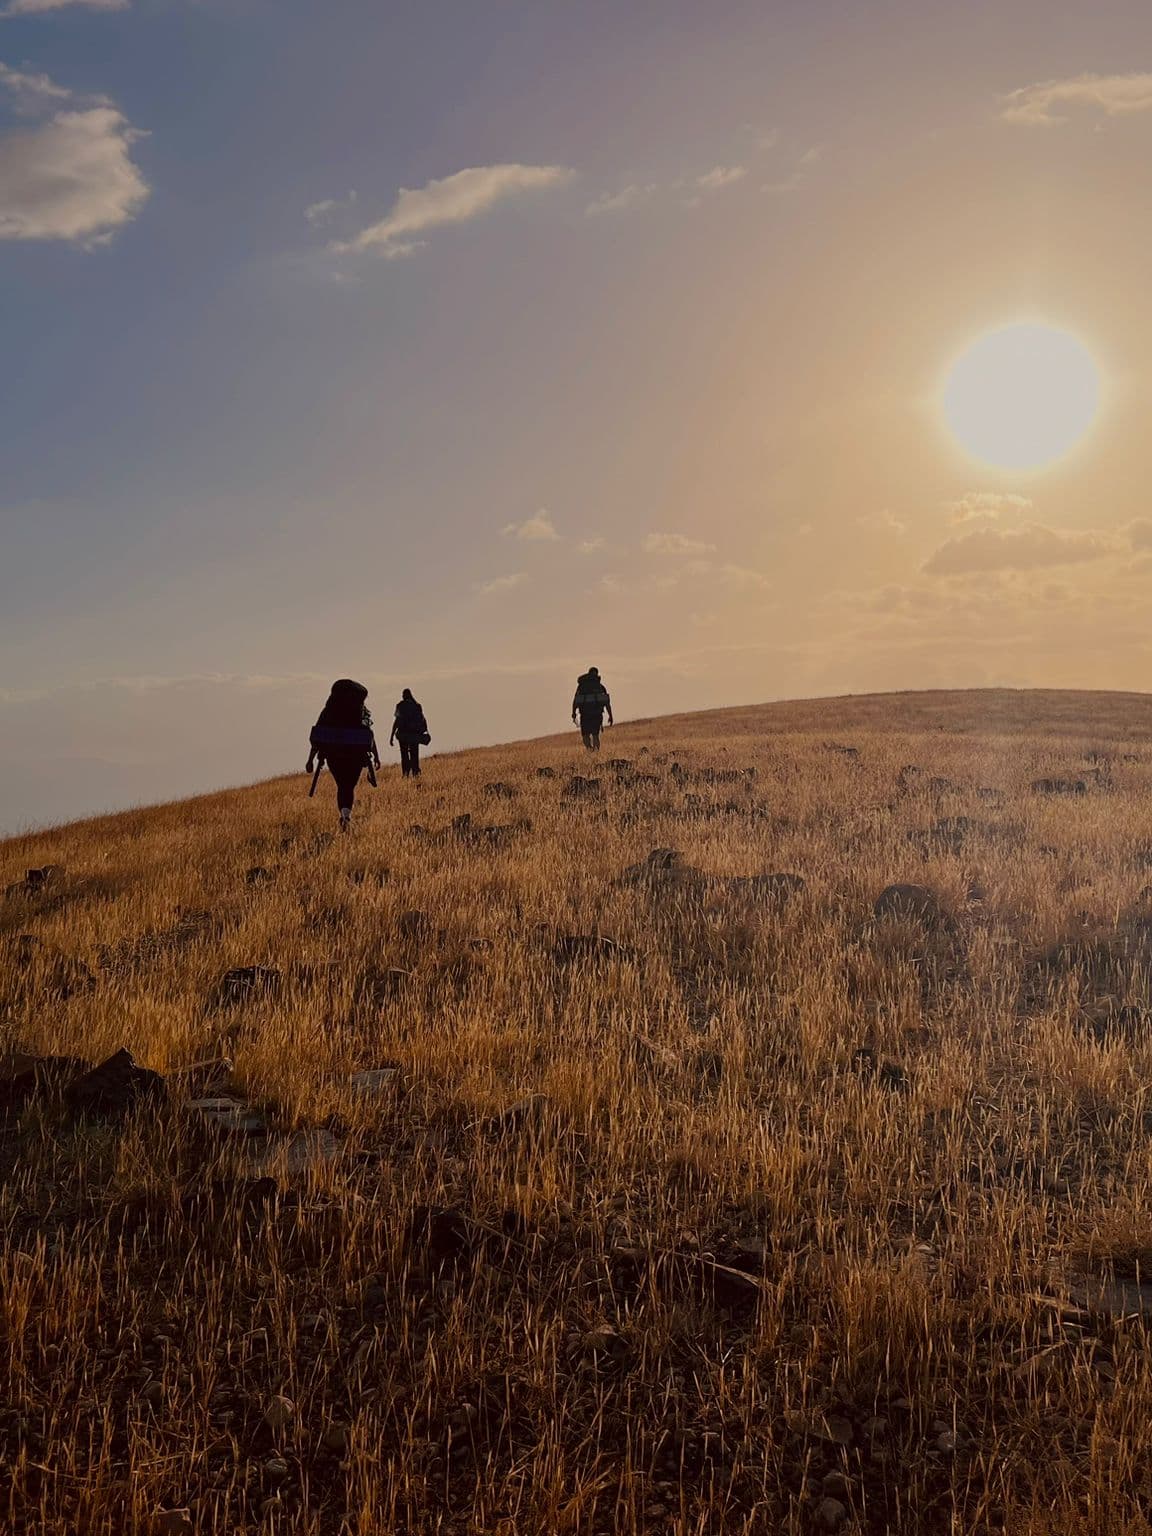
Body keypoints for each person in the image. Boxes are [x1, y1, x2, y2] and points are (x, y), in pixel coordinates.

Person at [307, 679, 381, 832]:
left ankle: (344, 814)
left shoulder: (328, 711)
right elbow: (369, 735)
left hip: (334, 756)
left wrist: (310, 760)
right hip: (356, 756)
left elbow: (318, 736)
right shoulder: (360, 710)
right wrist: (376, 756)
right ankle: (347, 815)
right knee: (349, 786)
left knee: (342, 785)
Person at [390, 688, 429, 778]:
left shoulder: (400, 706)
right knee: (414, 754)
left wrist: (391, 736)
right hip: (414, 735)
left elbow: (397, 721)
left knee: (404, 755)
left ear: (404, 696)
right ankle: (415, 773)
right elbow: (422, 720)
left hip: (403, 735)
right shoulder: (417, 706)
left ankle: (405, 774)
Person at [572, 666, 613, 751]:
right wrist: (610, 716)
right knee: (595, 735)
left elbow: (576, 700)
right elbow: (606, 702)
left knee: (585, 735)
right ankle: (596, 753)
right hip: (597, 714)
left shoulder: (581, 687)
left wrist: (573, 713)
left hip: (585, 714)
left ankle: (590, 751)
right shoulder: (600, 687)